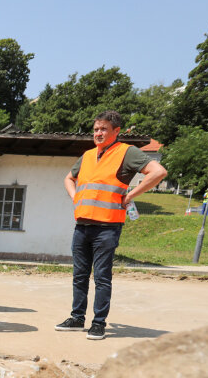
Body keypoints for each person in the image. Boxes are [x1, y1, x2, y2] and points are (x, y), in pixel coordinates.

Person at [56, 110, 167, 340]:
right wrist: (75, 197)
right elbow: (68, 178)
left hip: (107, 227)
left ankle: (98, 323)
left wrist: (131, 194)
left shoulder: (127, 153)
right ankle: (77, 318)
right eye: (96, 129)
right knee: (79, 275)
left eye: (103, 129)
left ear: (116, 131)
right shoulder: (87, 156)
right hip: (82, 226)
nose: (98, 133)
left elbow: (158, 171)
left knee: (102, 277)